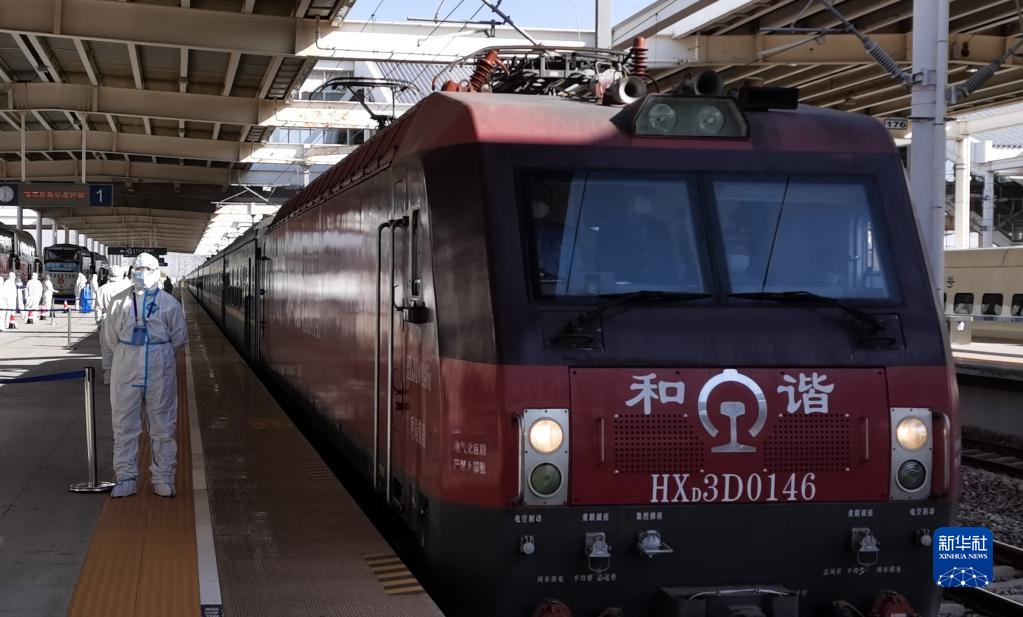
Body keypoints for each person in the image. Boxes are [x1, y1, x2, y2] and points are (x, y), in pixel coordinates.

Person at [103, 253, 187, 498]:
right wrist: (129, 353)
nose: (142, 273)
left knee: (163, 424)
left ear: (157, 271)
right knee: (124, 423)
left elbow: (180, 338)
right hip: (126, 364)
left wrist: (160, 354)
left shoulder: (169, 304)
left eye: (148, 269)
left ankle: (163, 477)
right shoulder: (118, 302)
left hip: (159, 367)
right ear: (132, 271)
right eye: (138, 268)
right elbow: (111, 338)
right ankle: (126, 477)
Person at [95, 265, 133, 385]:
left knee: (107, 348)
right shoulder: (127, 287)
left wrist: (99, 322)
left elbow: (98, 308)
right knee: (125, 346)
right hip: (124, 319)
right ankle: (124, 375)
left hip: (107, 319)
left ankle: (108, 377)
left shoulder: (102, 289)